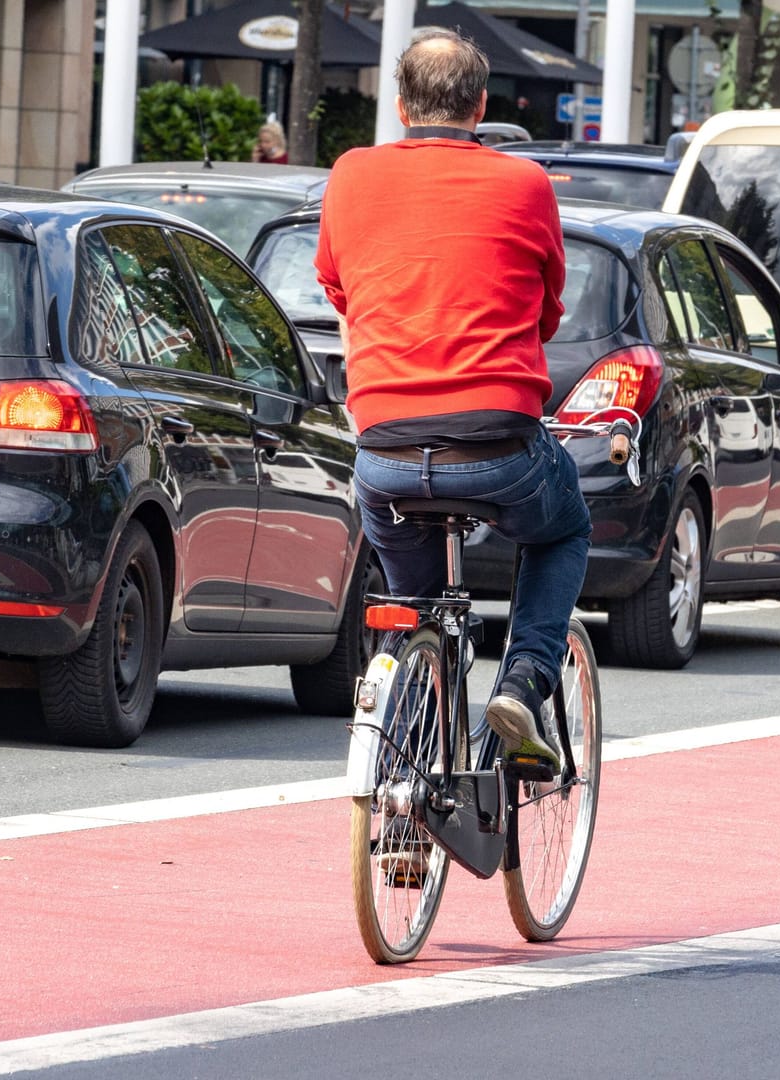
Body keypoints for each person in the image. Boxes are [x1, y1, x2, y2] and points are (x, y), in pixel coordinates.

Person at [314, 29, 584, 769]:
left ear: (399, 105)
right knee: (563, 528)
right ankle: (525, 683)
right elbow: (547, 311)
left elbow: (338, 287)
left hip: (387, 451)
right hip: (497, 445)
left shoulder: (349, 175)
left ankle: (403, 788)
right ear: (483, 105)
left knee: (414, 610)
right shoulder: (526, 183)